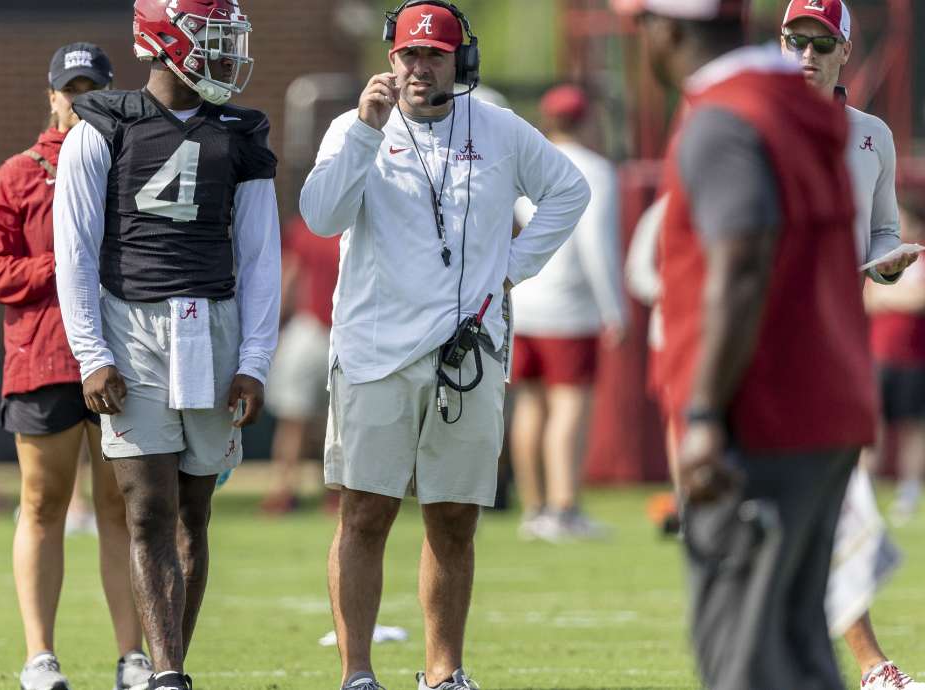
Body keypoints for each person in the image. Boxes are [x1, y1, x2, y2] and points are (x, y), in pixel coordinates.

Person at [300, 1, 590, 687]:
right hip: (375, 353)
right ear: (390, 58)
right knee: (365, 512)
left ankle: (443, 672)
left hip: (468, 354)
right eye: (408, 54)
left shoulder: (498, 125)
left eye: (434, 53)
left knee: (453, 518)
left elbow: (567, 192)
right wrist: (368, 135)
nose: (420, 66)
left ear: (462, 58)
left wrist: (513, 269)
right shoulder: (353, 126)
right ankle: (358, 674)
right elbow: (319, 216)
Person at [617, 0, 881, 687]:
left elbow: (740, 264)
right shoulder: (806, 109)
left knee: (743, 658)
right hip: (826, 407)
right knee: (797, 649)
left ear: (667, 29)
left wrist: (703, 415)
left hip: (761, 416)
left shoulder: (725, 115)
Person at [53, 2, 280, 689]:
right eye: (212, 40)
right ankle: (167, 673)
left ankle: (170, 658)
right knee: (145, 506)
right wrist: (90, 351)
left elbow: (261, 255)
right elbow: (75, 250)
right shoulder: (104, 126)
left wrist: (254, 360)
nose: (224, 54)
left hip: (212, 323)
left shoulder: (240, 132)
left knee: (195, 509)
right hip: (131, 324)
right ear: (164, 40)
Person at [0, 43, 153, 690]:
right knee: (42, 503)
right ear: (50, 96)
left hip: (121, 356)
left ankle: (133, 655)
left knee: (121, 507)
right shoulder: (19, 173)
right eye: (69, 89)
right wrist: (61, 267)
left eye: (90, 88)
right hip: (44, 356)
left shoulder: (129, 162)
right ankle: (40, 655)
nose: (78, 99)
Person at [780, 4, 925, 688]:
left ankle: (866, 665)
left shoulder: (870, 135)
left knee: (840, 506)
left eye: (821, 43)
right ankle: (859, 666)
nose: (807, 54)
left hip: (833, 344)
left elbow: (882, 230)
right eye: (795, 40)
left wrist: (888, 261)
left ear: (845, 52)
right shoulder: (749, 122)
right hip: (760, 342)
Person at [510, 84, 625, 542]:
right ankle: (564, 507)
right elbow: (597, 244)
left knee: (529, 405)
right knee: (569, 405)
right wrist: (614, 309)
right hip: (569, 306)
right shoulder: (596, 169)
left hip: (523, 298)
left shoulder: (527, 164)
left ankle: (533, 508)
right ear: (587, 120)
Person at [865, 201, 925, 526]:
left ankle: (909, 493)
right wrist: (896, 299)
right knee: (873, 426)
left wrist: (889, 299)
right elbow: (869, 298)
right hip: (879, 356)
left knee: (917, 426)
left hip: (919, 360)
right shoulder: (882, 259)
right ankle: (865, 492)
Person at [262, 215, 340, 515]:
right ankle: (332, 492)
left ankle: (283, 490)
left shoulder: (305, 229)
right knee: (329, 421)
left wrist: (273, 329)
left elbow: (289, 279)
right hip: (339, 332)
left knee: (294, 419)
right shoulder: (351, 227)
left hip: (312, 329)